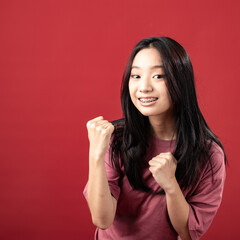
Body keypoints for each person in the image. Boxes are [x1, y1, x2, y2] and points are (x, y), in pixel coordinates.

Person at [83, 36, 226, 240]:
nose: (144, 88)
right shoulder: (115, 139)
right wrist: (95, 156)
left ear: (180, 82)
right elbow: (101, 219)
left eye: (158, 76)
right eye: (136, 76)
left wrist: (171, 185)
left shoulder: (208, 154)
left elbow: (188, 232)